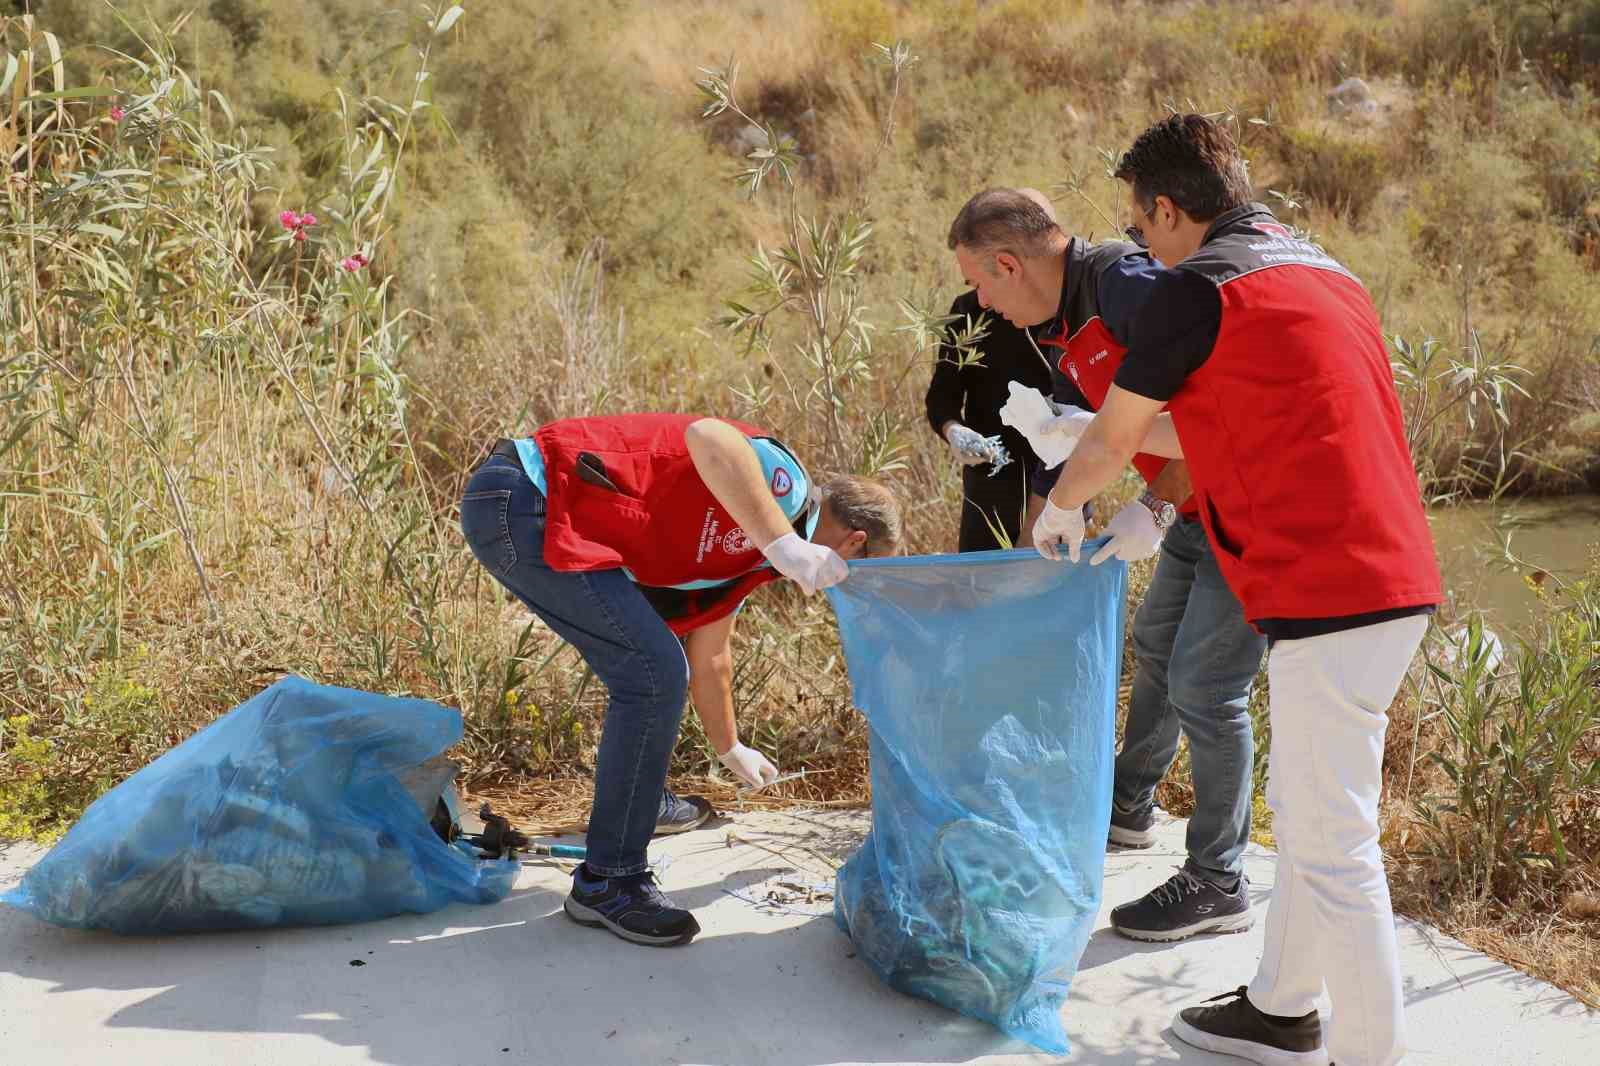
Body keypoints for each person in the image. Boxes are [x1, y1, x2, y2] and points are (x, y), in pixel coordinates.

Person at [1032, 114, 1441, 1066]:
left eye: (1140, 227)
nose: (1141, 247)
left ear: (1170, 210)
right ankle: (1279, 1006)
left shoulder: (1194, 288)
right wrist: (1097, 457)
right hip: (1391, 581)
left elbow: (1118, 438)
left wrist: (1065, 501)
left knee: (1337, 851)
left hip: (1330, 589)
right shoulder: (1322, 272)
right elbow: (1208, 433)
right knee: (1312, 818)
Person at [947, 188, 1267, 942]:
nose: (983, 303)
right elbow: (1066, 445)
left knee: (1208, 689)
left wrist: (1152, 507)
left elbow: (1212, 408)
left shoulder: (1126, 284)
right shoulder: (1060, 325)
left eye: (982, 283)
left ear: (1007, 261)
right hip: (1192, 515)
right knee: (1154, 650)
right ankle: (1128, 805)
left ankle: (1220, 877)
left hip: (1243, 508)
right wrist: (1052, 534)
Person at [460, 414, 902, 947]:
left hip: (534, 512)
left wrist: (732, 748)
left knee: (652, 665)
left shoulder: (754, 559)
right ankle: (609, 880)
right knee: (652, 672)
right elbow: (710, 437)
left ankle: (640, 806)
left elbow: (711, 655)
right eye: (862, 570)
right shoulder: (786, 492)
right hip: (527, 496)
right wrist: (786, 543)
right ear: (854, 544)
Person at [926, 189, 1056, 552]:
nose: (985, 298)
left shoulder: (1067, 309)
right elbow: (942, 395)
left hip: (1059, 481)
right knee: (984, 592)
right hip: (991, 481)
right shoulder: (970, 311)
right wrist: (955, 432)